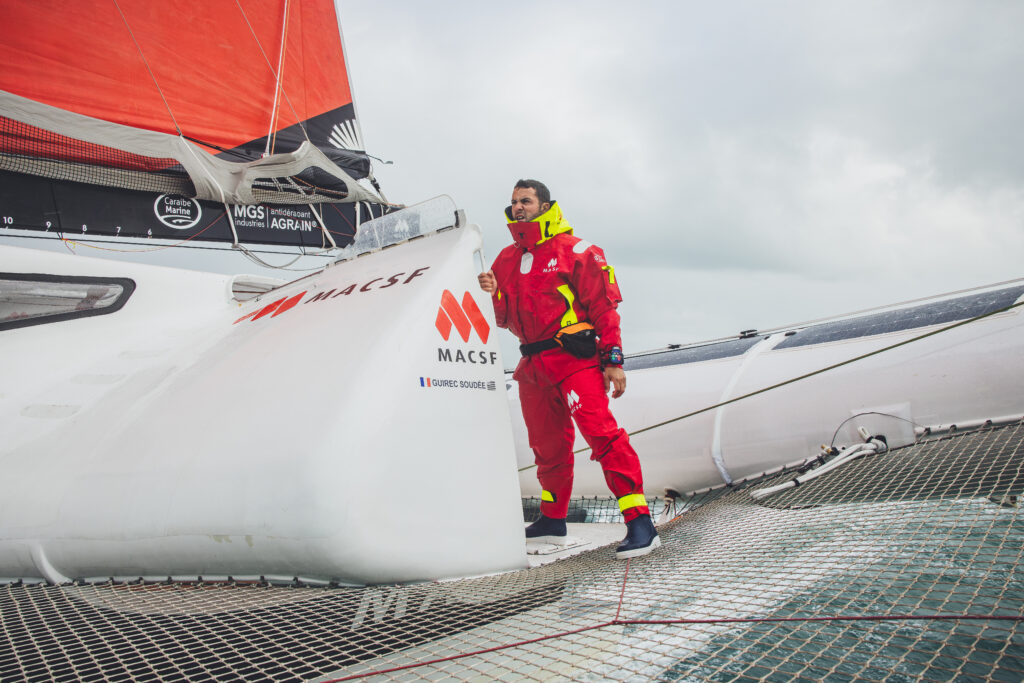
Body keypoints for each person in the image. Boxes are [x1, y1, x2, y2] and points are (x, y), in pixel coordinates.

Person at [478, 179, 660, 559]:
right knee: (547, 448)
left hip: (574, 361)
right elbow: (502, 319)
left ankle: (640, 522)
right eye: (513, 202)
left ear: (545, 205)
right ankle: (552, 519)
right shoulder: (505, 260)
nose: (518, 208)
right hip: (532, 366)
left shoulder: (578, 251)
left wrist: (612, 360)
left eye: (526, 201)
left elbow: (605, 309)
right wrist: (490, 290)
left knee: (602, 436)